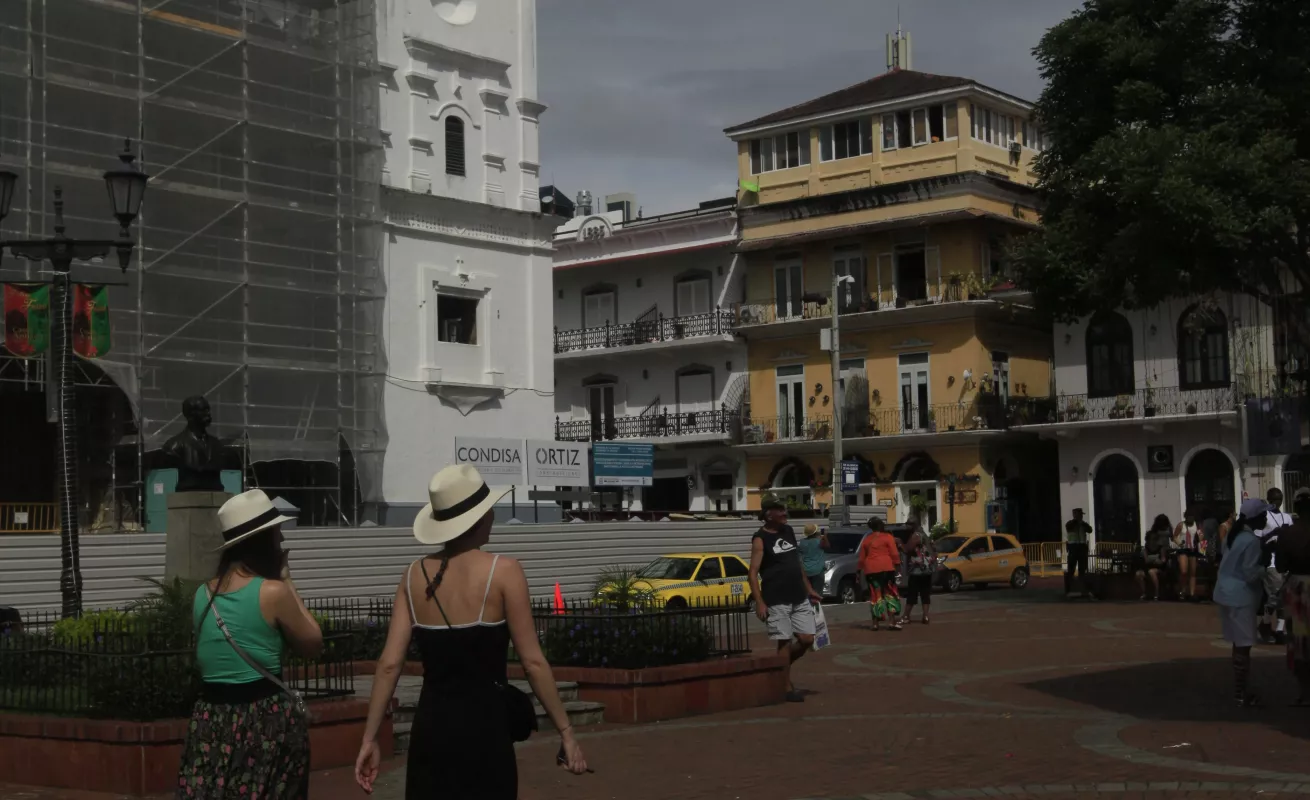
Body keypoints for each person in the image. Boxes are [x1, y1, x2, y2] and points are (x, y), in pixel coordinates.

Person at [355, 465, 587, 799]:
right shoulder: (504, 572)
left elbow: (389, 664)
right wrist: (566, 731)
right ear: (478, 519)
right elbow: (533, 663)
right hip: (486, 729)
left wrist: (369, 738)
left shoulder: (412, 576)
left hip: (431, 727)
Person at [177, 490, 323, 800]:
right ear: (263, 541)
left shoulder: (202, 595)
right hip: (263, 721)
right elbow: (312, 641)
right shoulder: (272, 592)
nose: (281, 539)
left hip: (210, 722)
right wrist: (286, 577)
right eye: (276, 534)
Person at [749, 500, 822, 704]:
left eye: (784, 509)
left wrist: (809, 589)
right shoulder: (760, 539)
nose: (784, 513)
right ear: (768, 514)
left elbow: (797, 564)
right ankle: (785, 686)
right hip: (776, 598)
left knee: (807, 638)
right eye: (779, 510)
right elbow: (753, 573)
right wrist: (759, 601)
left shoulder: (788, 530)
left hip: (798, 595)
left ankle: (778, 667)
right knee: (784, 640)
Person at [1214, 498, 1271, 708]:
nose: (1266, 518)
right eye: (1264, 514)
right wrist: (1264, 567)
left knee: (1238, 644)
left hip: (1225, 592)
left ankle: (1240, 688)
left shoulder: (1234, 535)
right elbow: (1250, 573)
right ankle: (1241, 692)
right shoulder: (1251, 541)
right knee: (1243, 645)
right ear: (1256, 517)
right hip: (1241, 596)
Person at [1277, 494, 1310, 705]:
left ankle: (1305, 693)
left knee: (1300, 643)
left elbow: (1280, 566)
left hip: (1298, 588)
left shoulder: (1288, 533)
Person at [1257, 488, 1293, 644]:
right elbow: (1258, 540)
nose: (1276, 503)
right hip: (1271, 561)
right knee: (1276, 596)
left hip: (1286, 561)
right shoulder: (1264, 518)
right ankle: (1265, 624)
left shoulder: (1287, 517)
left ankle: (1279, 629)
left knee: (1285, 598)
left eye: (1279, 500)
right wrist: (1273, 534)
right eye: (1273, 500)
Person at [857, 517, 903, 631]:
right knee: (890, 594)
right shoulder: (888, 537)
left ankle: (875, 623)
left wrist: (858, 571)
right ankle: (892, 621)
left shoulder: (867, 540)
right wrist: (898, 566)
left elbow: (862, 558)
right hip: (886, 568)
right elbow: (894, 553)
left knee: (874, 595)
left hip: (871, 570)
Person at [900, 516, 937, 625]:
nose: (906, 526)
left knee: (912, 593)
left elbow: (907, 549)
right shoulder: (924, 534)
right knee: (925, 593)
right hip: (926, 568)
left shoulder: (916, 535)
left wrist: (899, 543)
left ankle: (906, 616)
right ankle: (925, 616)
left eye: (909, 524)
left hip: (917, 570)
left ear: (914, 525)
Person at [1136, 514, 1171, 601]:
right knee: (1138, 574)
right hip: (1147, 568)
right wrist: (1155, 560)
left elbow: (1162, 560)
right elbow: (1146, 560)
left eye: (1154, 539)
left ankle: (1156, 594)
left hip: (1158, 569)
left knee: (1152, 572)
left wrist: (1159, 561)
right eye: (1150, 540)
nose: (1152, 542)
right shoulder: (1145, 550)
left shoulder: (1160, 548)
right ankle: (1144, 593)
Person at [1172, 507, 1203, 601]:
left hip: (1193, 549)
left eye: (1192, 517)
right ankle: (1182, 590)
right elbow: (1175, 536)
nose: (1190, 518)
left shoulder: (1197, 525)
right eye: (1189, 517)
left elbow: (1201, 536)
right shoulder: (1181, 525)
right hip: (1183, 549)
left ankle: (1192, 593)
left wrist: (1201, 541)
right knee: (1184, 571)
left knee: (1193, 572)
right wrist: (1179, 543)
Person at [1064, 508, 1092, 598]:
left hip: (1082, 548)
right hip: (1073, 548)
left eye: (1081, 515)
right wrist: (1077, 521)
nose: (1081, 516)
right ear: (1075, 515)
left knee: (1082, 570)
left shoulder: (1083, 524)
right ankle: (1068, 590)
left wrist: (1082, 523)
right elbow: (1069, 527)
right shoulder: (1070, 524)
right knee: (1071, 570)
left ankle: (1083, 590)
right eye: (1080, 514)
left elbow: (1090, 530)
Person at [796, 523, 830, 598]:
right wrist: (824, 536)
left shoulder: (802, 542)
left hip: (806, 570)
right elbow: (827, 546)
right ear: (815, 532)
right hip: (817, 570)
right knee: (817, 593)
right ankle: (816, 608)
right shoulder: (819, 541)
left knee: (807, 594)